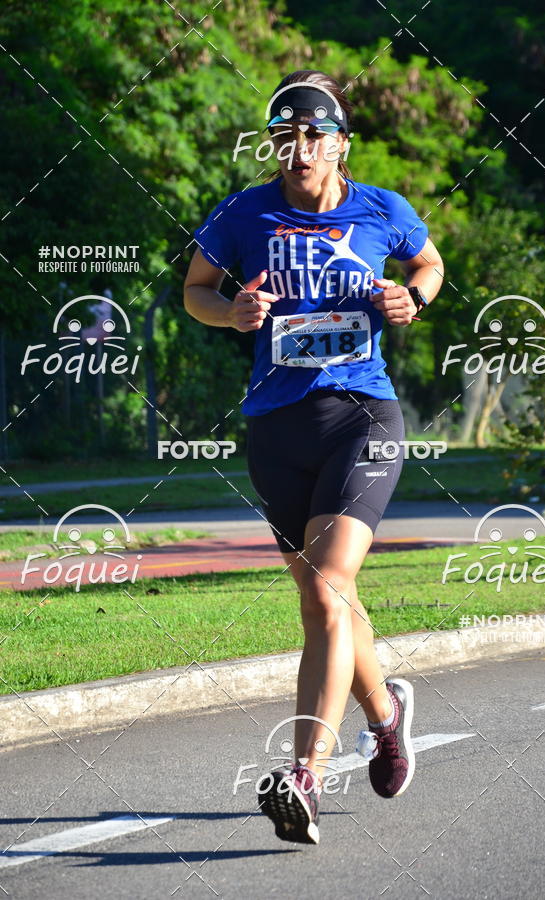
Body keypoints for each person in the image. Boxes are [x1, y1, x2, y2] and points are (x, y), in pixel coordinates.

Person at [183, 69, 444, 845]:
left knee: (330, 590)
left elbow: (427, 264)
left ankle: (305, 775)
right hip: (275, 425)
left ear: (338, 144)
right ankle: (387, 716)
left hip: (362, 417)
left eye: (312, 137)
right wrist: (229, 312)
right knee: (323, 599)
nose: (298, 152)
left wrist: (414, 297)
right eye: (284, 138)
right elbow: (194, 289)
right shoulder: (243, 213)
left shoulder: (380, 209)